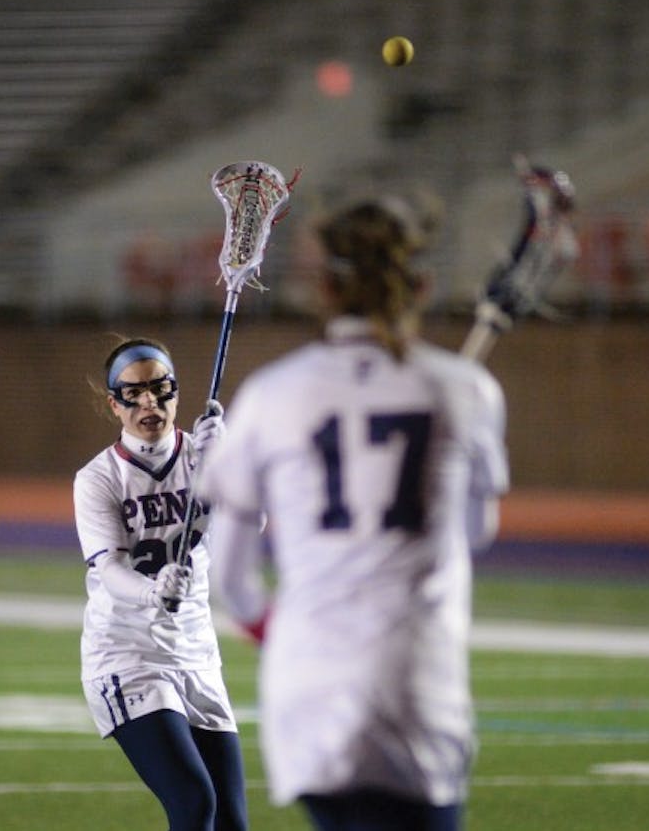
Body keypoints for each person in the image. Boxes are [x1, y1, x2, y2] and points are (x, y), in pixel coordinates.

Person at [197, 196, 509, 831]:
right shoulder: (465, 389)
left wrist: (275, 634)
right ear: (419, 285)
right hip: (415, 683)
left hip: (307, 684)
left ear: (326, 288)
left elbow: (231, 580)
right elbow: (477, 530)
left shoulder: (269, 395)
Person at [74, 336, 249, 831]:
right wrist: (151, 591)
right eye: (133, 393)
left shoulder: (203, 458)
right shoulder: (99, 478)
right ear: (114, 404)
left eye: (160, 389)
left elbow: (251, 526)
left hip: (196, 652)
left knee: (232, 821)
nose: (149, 402)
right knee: (194, 804)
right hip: (127, 654)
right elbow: (108, 569)